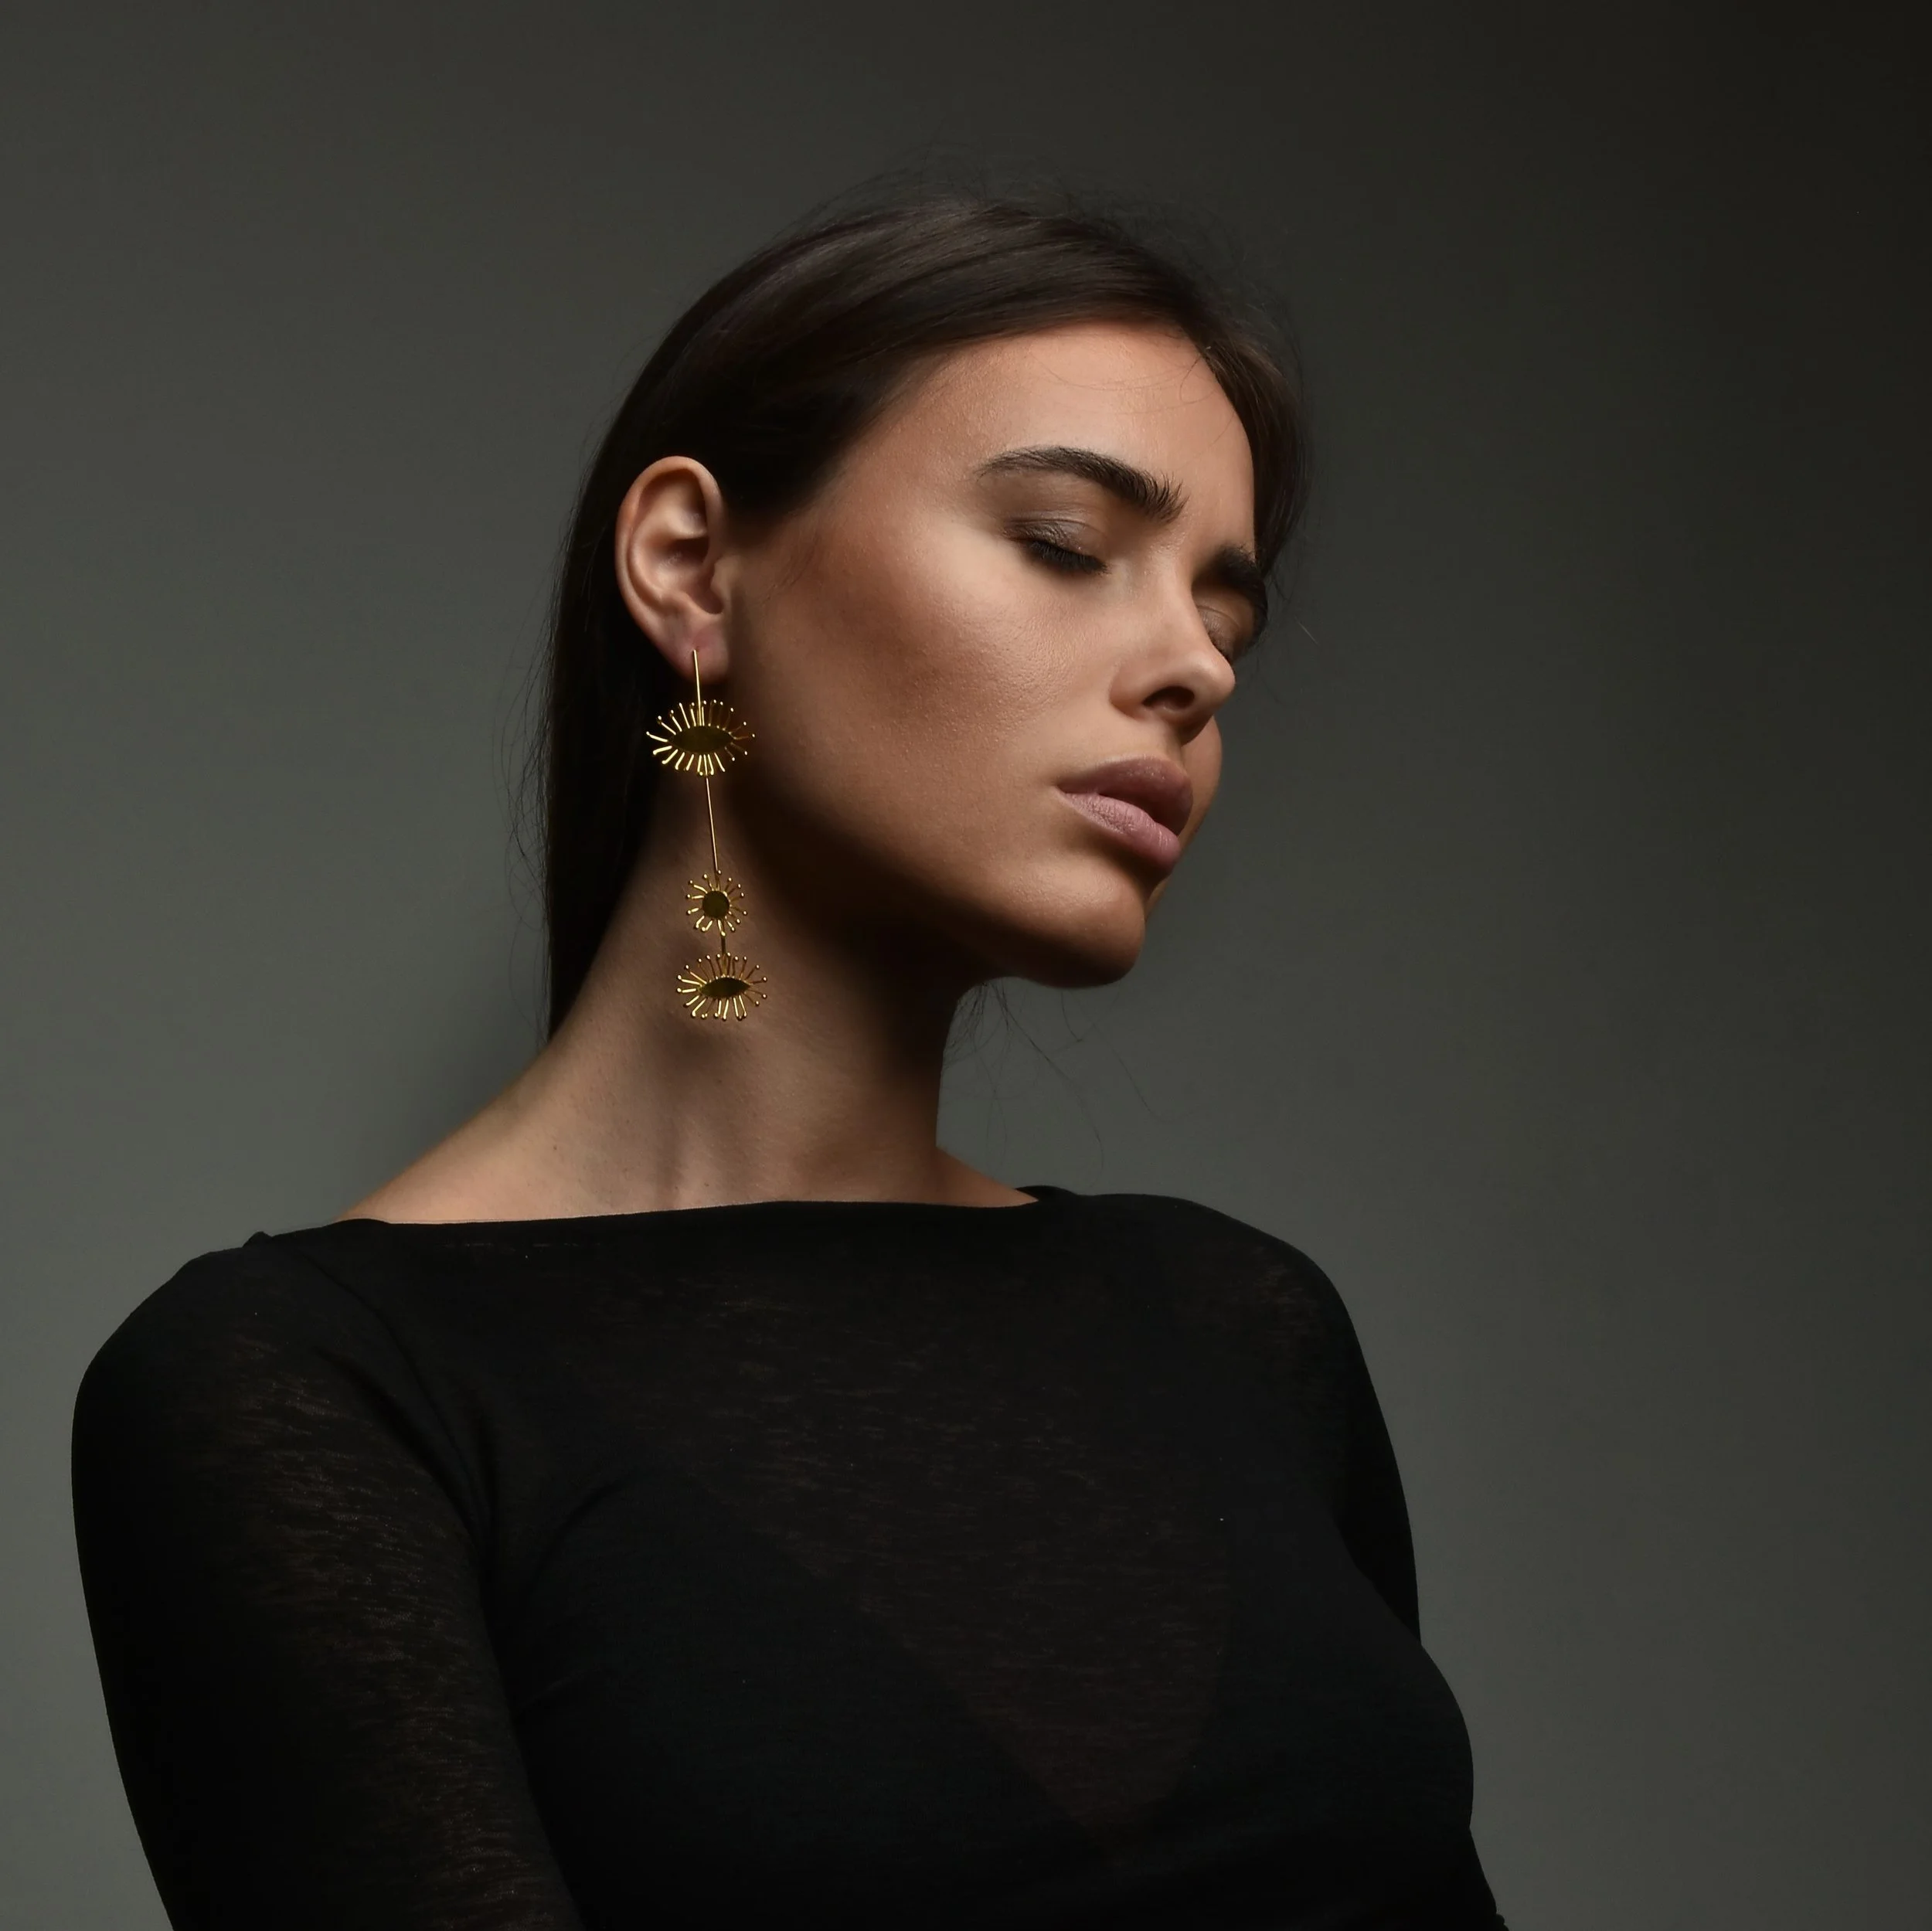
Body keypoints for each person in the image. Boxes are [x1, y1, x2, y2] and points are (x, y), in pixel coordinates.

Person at [70, 189, 1509, 1929]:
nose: (1192, 666)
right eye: (1064, 542)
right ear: (689, 566)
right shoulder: (308, 1393)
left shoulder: (1242, 1325)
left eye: (1230, 614)